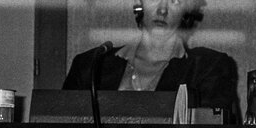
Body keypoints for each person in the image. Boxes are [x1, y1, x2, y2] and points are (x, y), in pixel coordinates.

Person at [62, 0, 239, 119]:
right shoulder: (91, 64)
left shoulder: (209, 68)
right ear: (140, 3)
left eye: (174, 1)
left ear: (188, 10)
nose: (162, 10)